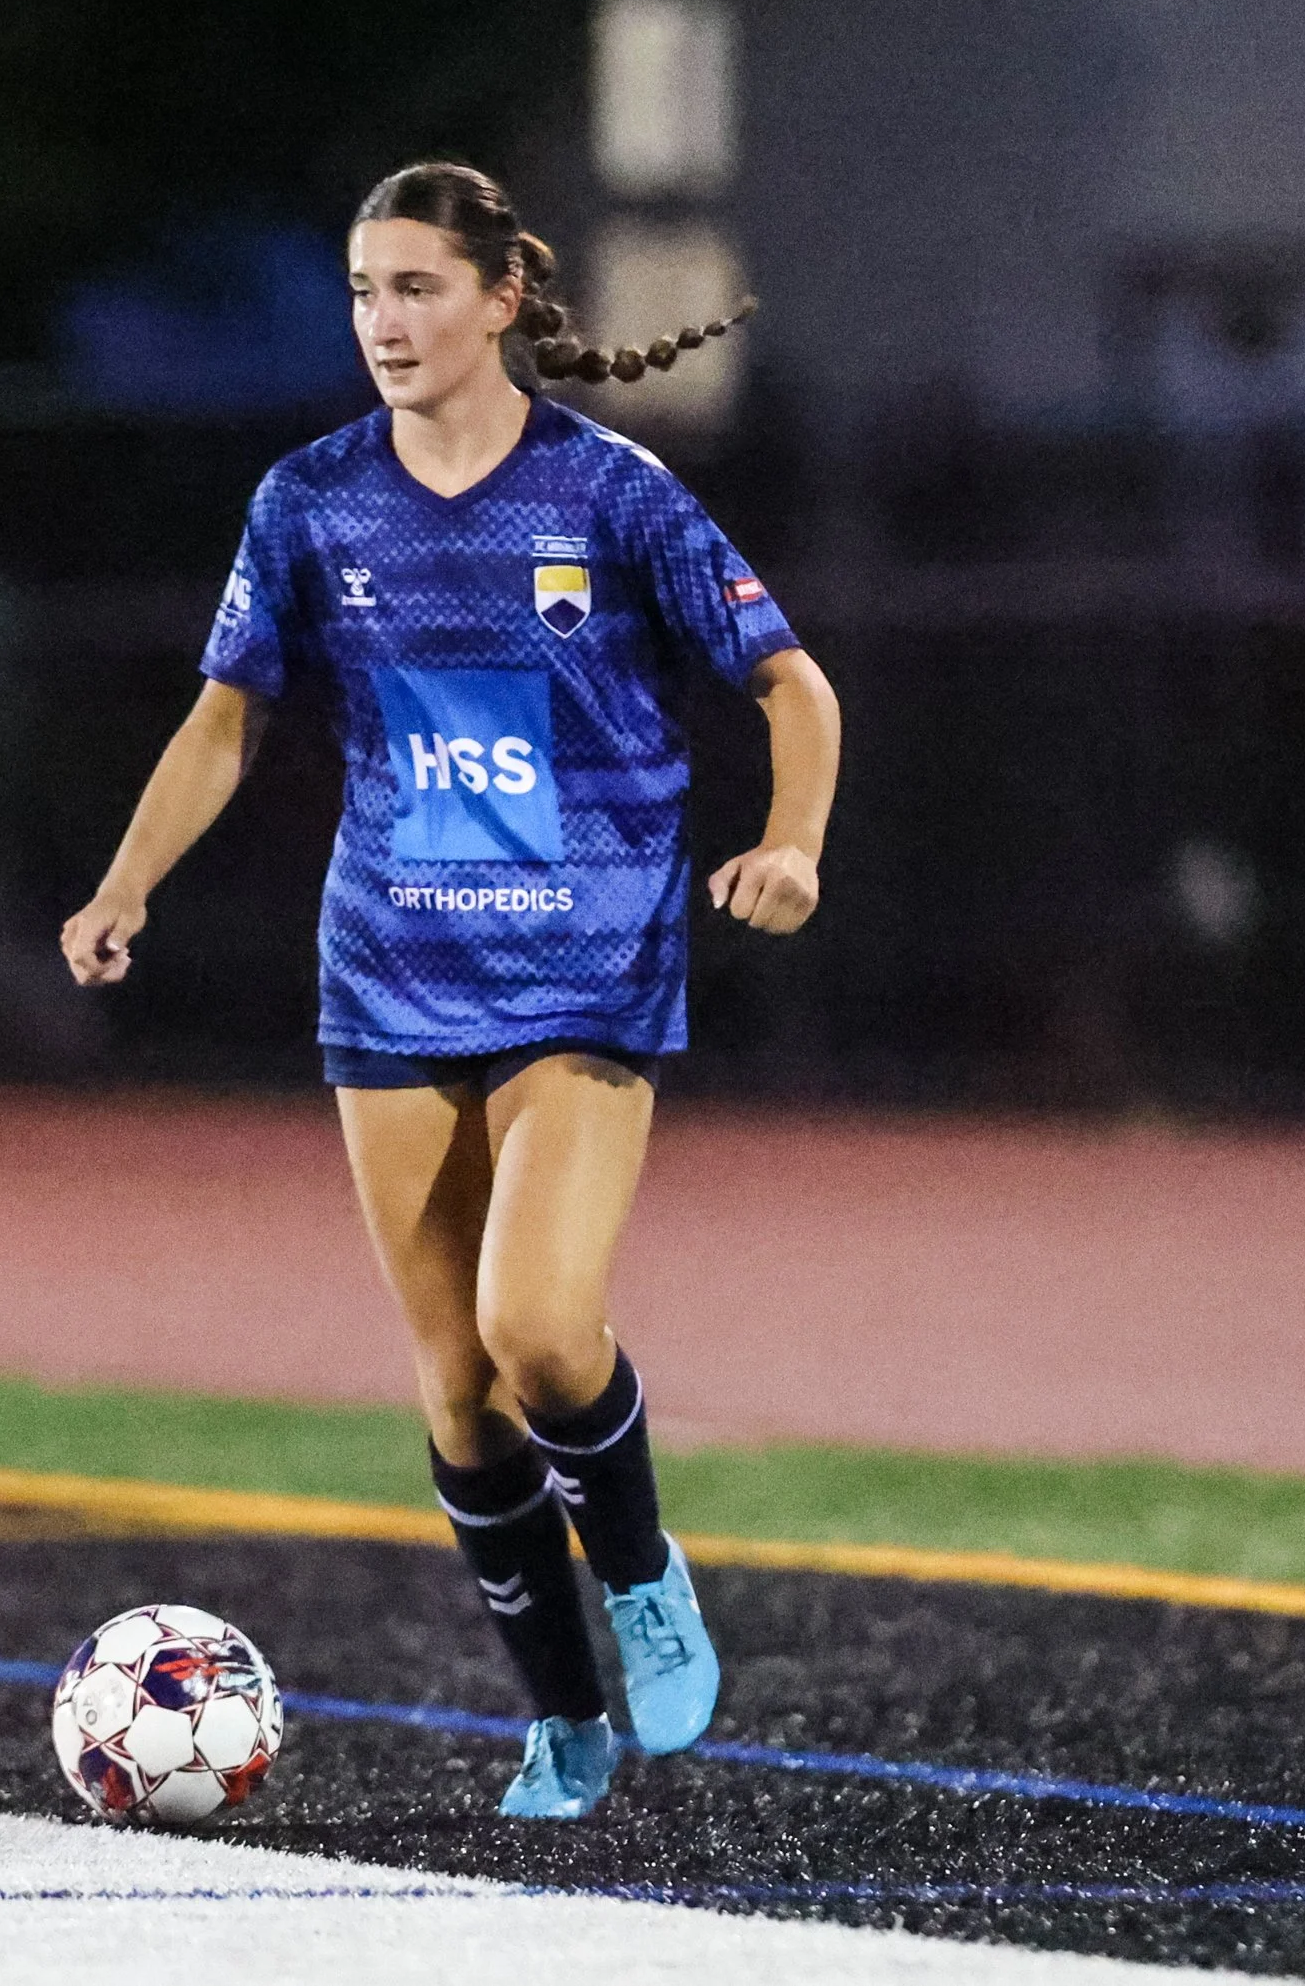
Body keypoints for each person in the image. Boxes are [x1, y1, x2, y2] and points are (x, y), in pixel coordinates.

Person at [62, 163, 840, 1819]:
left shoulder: (613, 496)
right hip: (391, 970)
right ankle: (563, 1718)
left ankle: (638, 1570)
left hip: (586, 962)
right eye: (361, 291)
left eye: (417, 286)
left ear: (500, 298)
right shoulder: (310, 502)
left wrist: (793, 845)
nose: (385, 323)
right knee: (457, 1391)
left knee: (540, 1329)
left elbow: (792, 683)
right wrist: (129, 880)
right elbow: (226, 718)